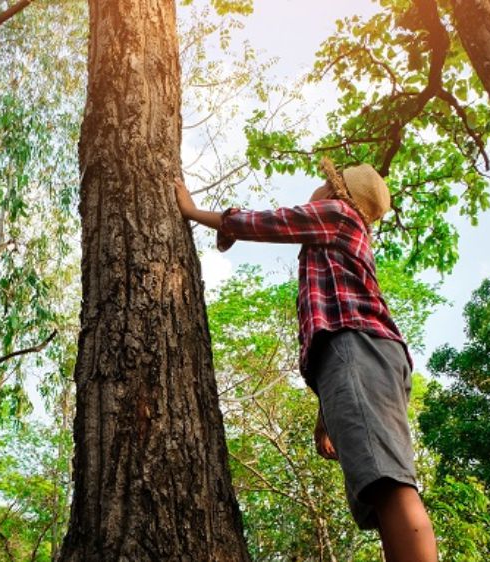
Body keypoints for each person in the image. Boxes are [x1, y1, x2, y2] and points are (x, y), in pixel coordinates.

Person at [174, 159, 438, 562]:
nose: (315, 190)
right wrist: (325, 415)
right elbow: (336, 344)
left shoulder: (336, 214)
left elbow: (273, 222)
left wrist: (196, 213)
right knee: (380, 486)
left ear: (336, 194)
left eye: (323, 185)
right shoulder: (342, 235)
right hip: (366, 354)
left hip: (361, 346)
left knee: (389, 482)